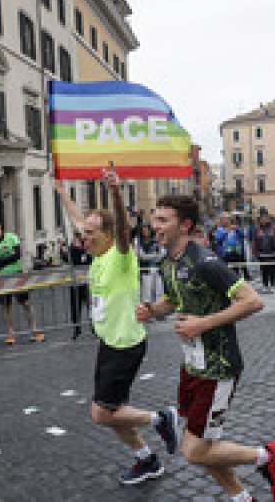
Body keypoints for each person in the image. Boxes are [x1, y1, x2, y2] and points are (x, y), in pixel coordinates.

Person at [137, 195, 275, 502]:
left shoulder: (205, 262)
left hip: (218, 367)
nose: (155, 226)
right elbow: (174, 299)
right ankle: (241, 498)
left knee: (194, 450)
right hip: (192, 365)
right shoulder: (168, 262)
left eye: (163, 220)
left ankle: (267, 456)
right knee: (207, 446)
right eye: (155, 219)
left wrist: (203, 324)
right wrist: (152, 310)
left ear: (186, 225)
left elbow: (252, 301)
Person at [55, 170, 179, 486]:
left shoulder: (120, 256)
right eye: (83, 233)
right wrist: (62, 192)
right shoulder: (96, 254)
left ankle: (161, 419)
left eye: (90, 233)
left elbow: (124, 229)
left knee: (100, 413)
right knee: (114, 413)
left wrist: (115, 191)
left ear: (108, 235)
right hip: (109, 343)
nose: (83, 237)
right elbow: (77, 219)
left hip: (125, 345)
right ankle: (147, 460)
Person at [0, 220, 42, 344]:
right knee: (6, 306)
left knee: (26, 303)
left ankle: (34, 329)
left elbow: (17, 255)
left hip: (17, 274)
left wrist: (0, 261)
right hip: (1, 278)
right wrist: (6, 260)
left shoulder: (12, 237)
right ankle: (11, 333)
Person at [61, 233, 91, 340]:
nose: (75, 242)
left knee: (90, 305)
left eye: (76, 240)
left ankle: (94, 326)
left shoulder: (86, 250)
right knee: (75, 306)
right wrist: (63, 249)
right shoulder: (72, 250)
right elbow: (69, 259)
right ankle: (77, 328)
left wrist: (84, 251)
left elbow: (88, 261)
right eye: (74, 240)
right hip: (75, 283)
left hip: (86, 282)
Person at [251, 212, 275, 294]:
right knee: (264, 270)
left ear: (268, 218)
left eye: (265, 218)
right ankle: (265, 285)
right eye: (262, 218)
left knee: (273, 271)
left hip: (273, 253)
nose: (264, 220)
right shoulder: (257, 229)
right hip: (262, 254)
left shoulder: (274, 228)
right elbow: (254, 241)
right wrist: (254, 253)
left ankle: (273, 285)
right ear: (260, 220)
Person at [134, 224, 166, 304]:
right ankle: (147, 309)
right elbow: (141, 256)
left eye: (147, 229)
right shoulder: (138, 240)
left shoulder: (156, 240)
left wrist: (153, 256)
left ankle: (159, 309)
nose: (145, 231)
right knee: (146, 293)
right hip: (145, 270)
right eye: (143, 229)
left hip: (158, 269)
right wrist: (154, 255)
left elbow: (162, 254)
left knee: (159, 291)